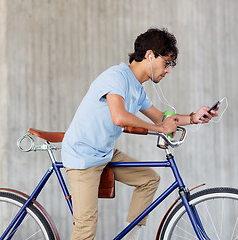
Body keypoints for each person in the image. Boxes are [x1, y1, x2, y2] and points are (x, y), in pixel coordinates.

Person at [61, 27, 218, 240]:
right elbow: (119, 117)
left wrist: (193, 117)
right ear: (150, 55)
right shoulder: (116, 76)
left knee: (149, 179)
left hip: (104, 153)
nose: (168, 70)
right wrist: (161, 129)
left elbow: (160, 118)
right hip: (83, 154)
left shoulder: (137, 88)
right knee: (86, 225)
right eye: (167, 63)